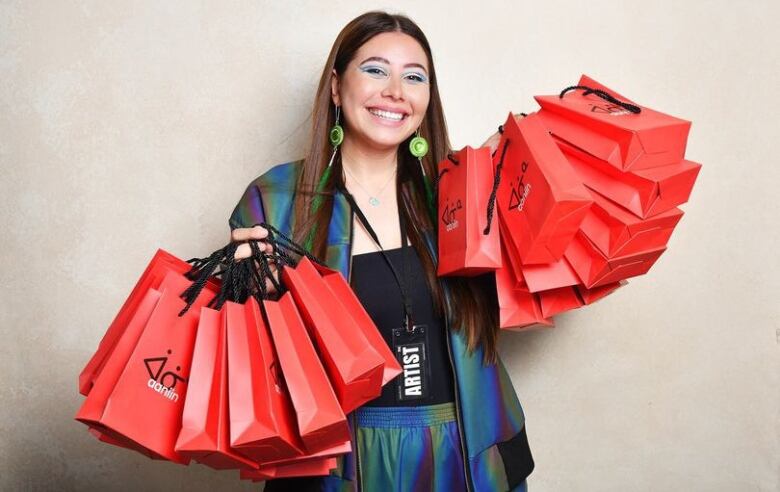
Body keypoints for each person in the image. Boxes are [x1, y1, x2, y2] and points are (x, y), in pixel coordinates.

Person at [228, 11, 534, 492]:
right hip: (336, 462)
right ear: (336, 86)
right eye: (375, 69)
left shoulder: (458, 194)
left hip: (466, 452)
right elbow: (245, 363)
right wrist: (244, 295)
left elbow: (525, 302)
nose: (396, 91)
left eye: (414, 77)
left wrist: (517, 200)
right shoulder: (276, 201)